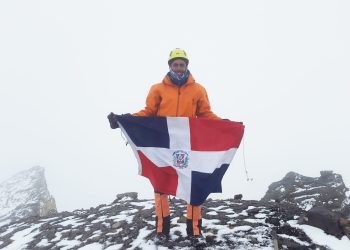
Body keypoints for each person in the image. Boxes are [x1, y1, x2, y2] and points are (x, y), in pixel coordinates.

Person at [108, 48, 221, 240]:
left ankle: (194, 230)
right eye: (175, 64)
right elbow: (148, 112)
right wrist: (123, 119)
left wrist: (224, 124)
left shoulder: (198, 89)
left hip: (187, 144)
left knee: (193, 185)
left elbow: (206, 115)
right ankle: (162, 229)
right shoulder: (157, 88)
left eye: (182, 64)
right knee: (160, 185)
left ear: (187, 66)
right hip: (163, 143)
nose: (178, 68)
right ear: (170, 66)